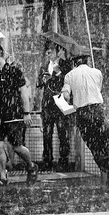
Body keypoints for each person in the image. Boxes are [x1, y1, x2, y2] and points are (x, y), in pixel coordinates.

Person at [61, 42, 109, 187]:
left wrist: (71, 98)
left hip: (82, 115)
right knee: (107, 141)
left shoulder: (69, 76)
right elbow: (97, 89)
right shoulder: (97, 73)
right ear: (87, 60)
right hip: (97, 111)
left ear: (74, 62)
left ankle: (106, 166)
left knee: (94, 145)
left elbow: (65, 96)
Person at [0, 41, 37, 185]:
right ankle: (3, 177)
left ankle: (31, 166)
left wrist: (27, 112)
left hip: (14, 114)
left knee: (17, 146)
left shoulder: (14, 71)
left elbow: (23, 93)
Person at [36, 40, 72, 171]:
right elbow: (39, 84)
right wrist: (42, 80)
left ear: (57, 52)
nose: (48, 54)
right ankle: (47, 161)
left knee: (63, 133)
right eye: (47, 52)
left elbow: (68, 81)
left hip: (61, 102)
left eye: (50, 51)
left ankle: (64, 161)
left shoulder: (65, 65)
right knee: (47, 134)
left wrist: (57, 73)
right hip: (47, 104)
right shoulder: (44, 66)